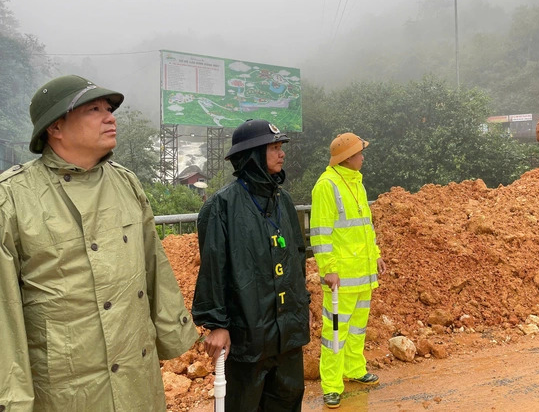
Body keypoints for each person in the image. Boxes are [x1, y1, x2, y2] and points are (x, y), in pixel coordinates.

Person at [0, 75, 198, 411]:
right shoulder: (13, 196)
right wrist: (13, 397)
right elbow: (4, 310)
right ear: (55, 127)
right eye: (94, 109)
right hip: (68, 386)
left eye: (109, 109)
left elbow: (154, 267)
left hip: (136, 374)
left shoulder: (125, 183)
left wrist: (172, 332)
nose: (111, 117)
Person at [192, 119, 310, 411]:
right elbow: (213, 269)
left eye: (281, 146)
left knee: (287, 398)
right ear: (253, 156)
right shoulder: (222, 206)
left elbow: (297, 258)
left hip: (287, 335)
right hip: (249, 335)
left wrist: (301, 306)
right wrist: (217, 324)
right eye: (274, 147)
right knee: (245, 404)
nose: (282, 153)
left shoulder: (284, 202)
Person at [311, 132, 384, 408]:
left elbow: (365, 227)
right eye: (359, 152)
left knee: (356, 328)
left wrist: (375, 256)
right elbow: (320, 233)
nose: (363, 156)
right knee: (335, 334)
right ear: (347, 157)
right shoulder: (326, 186)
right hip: (340, 279)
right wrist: (328, 269)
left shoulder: (357, 184)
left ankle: (354, 369)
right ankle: (331, 385)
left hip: (363, 275)